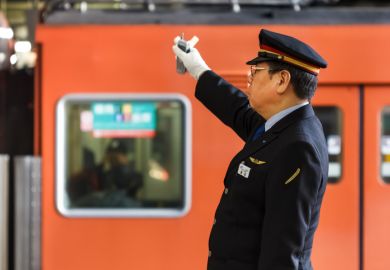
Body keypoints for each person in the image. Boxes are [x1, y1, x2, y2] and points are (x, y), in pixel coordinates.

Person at [172, 29, 329, 270]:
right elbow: (236, 108)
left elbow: (283, 253)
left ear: (282, 80)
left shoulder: (298, 147)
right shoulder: (283, 124)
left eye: (256, 71)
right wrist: (197, 67)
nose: (249, 78)